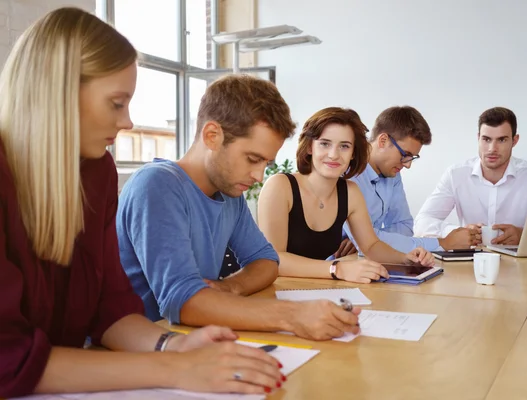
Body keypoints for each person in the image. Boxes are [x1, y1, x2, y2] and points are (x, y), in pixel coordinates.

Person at [0, 8, 283, 398]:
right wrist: (174, 366)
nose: (128, 122)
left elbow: (111, 309)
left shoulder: (96, 173)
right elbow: (9, 359)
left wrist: (173, 345)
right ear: (57, 93)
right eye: (117, 103)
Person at [117, 75, 360, 342]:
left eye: (266, 162)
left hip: (192, 339)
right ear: (212, 136)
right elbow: (182, 301)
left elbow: (267, 262)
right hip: (142, 348)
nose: (259, 175)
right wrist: (293, 315)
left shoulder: (228, 193)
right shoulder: (157, 185)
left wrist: (230, 287)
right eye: (253, 159)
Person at [256, 107, 436, 284]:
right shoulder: (279, 186)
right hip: (277, 292)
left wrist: (405, 259)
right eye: (324, 144)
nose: (334, 155)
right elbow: (274, 260)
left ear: (352, 153)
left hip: (317, 290)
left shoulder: (350, 192)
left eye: (344, 146)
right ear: (310, 147)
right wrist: (338, 269)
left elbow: (371, 246)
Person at [414, 106, 527, 245]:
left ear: (514, 141)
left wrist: (525, 234)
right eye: (486, 139)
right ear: (478, 137)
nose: (492, 149)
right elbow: (421, 223)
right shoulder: (456, 174)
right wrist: (458, 232)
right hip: (470, 263)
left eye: (501, 140)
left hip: (521, 265)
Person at [342, 106, 478, 253]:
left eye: (412, 157)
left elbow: (405, 226)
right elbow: (367, 245)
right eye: (405, 155)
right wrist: (442, 243)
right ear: (383, 140)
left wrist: (368, 239)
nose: (407, 165)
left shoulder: (392, 174)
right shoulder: (346, 174)